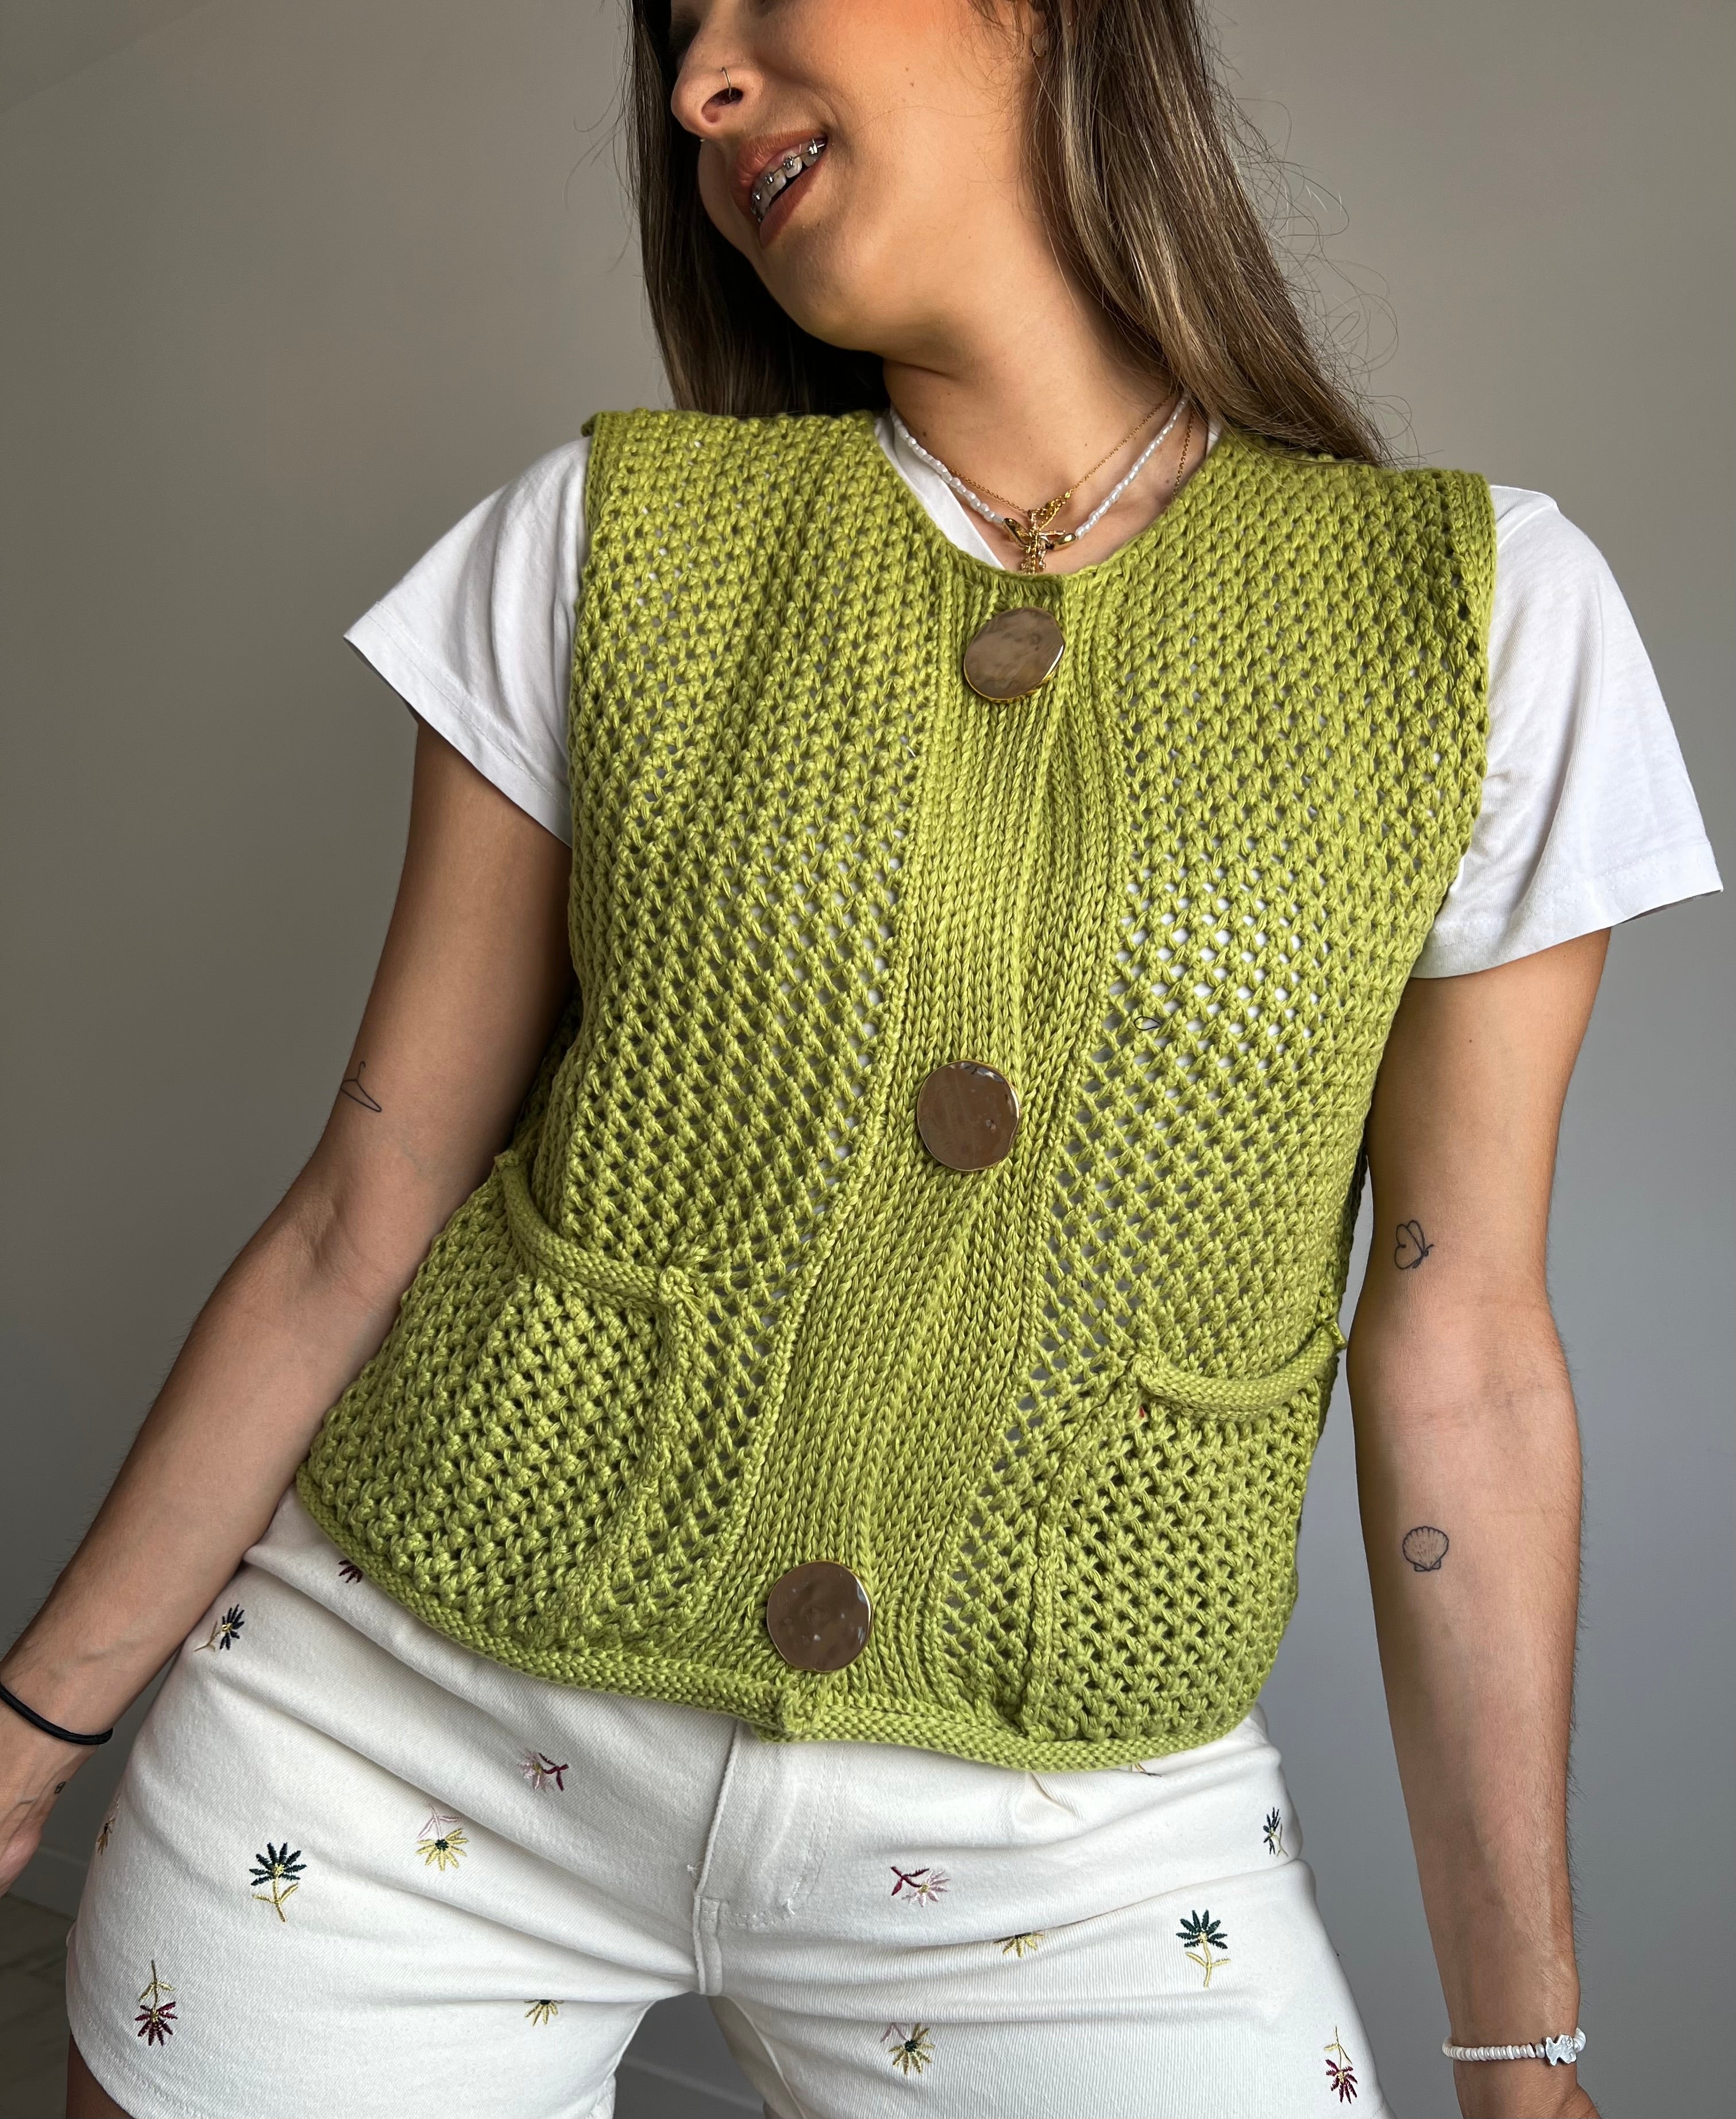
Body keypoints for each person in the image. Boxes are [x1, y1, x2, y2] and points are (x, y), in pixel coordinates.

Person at [0, 3, 1719, 2115]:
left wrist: (1520, 2044)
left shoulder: (1479, 619)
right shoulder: (609, 538)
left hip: (1065, 1833)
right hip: (399, 1736)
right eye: (673, 39)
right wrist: (34, 1722)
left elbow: (1465, 1353)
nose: (695, 85)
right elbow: (367, 1203)